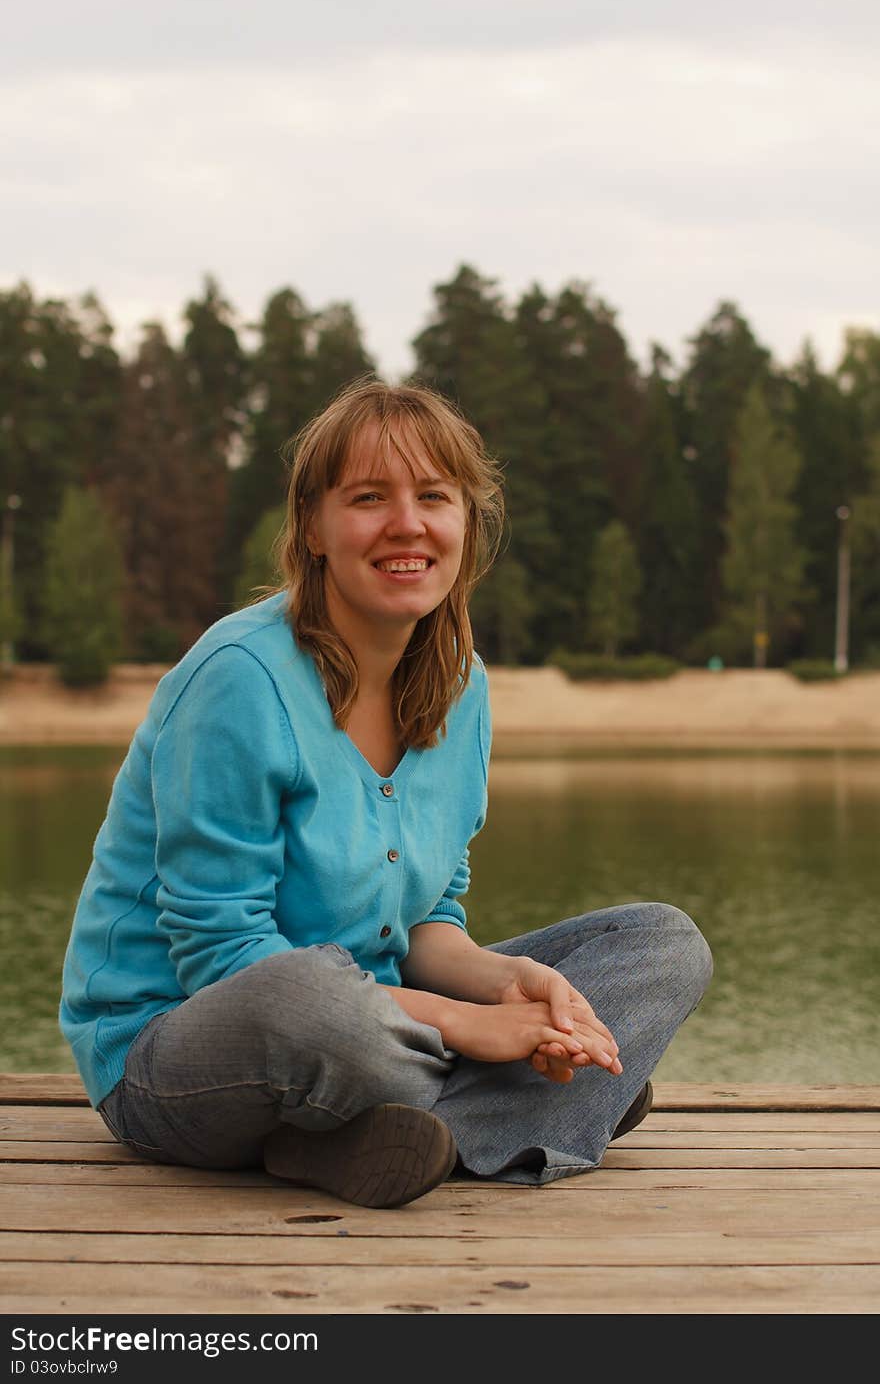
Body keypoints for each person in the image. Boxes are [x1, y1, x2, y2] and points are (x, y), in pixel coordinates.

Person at [60, 378, 712, 1210]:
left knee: (662, 943)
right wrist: (470, 1027)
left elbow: (427, 923)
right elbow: (221, 959)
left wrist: (514, 986)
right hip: (178, 1047)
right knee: (314, 1002)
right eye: (370, 498)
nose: (408, 524)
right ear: (314, 529)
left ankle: (377, 1133)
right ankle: (533, 1105)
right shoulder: (241, 677)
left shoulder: (462, 686)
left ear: (466, 524)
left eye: (433, 497)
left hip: (375, 1021)